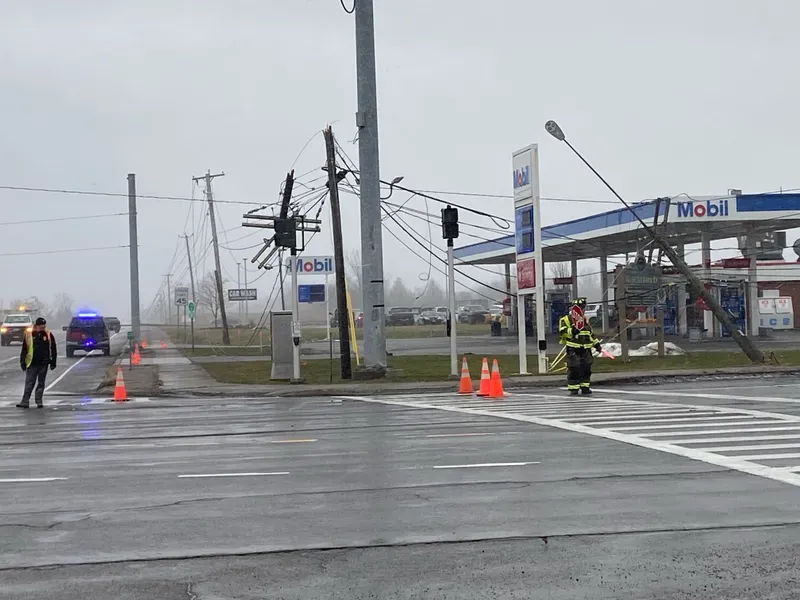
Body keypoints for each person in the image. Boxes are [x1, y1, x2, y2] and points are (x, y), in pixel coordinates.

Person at [558, 297, 601, 396]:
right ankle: (574, 388)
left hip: (586, 349)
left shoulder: (584, 320)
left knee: (586, 368)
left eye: (583, 307)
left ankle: (585, 387)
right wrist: (572, 331)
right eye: (580, 307)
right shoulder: (565, 319)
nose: (582, 309)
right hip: (573, 349)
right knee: (574, 368)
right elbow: (562, 332)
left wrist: (596, 344)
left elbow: (590, 333)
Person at [17, 317, 57, 409]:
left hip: (44, 363)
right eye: (41, 326)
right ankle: (25, 401)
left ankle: (39, 401)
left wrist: (53, 361)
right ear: (36, 326)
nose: (43, 328)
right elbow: (24, 349)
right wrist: (22, 362)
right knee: (29, 383)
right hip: (32, 363)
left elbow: (53, 348)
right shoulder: (29, 334)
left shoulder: (48, 334)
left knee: (41, 383)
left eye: (44, 326)